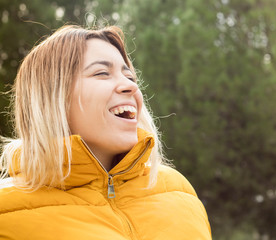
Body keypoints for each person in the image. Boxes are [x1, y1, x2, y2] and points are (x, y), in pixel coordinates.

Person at [0, 25, 211, 239]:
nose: (130, 87)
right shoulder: (5, 213)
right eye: (102, 73)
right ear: (51, 96)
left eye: (129, 77)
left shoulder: (181, 192)